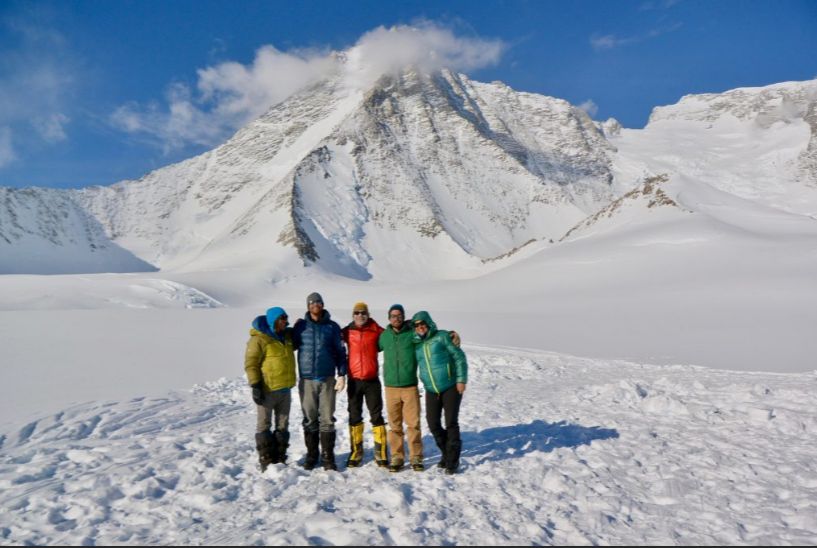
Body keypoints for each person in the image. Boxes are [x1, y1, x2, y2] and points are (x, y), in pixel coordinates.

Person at [292, 292, 347, 471]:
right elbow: (287, 344)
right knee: (310, 419)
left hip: (327, 379)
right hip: (307, 380)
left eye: (318, 302)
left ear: (322, 305)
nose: (315, 305)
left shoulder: (332, 327)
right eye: (312, 302)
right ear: (308, 306)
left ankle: (327, 457)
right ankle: (312, 455)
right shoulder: (300, 327)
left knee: (327, 419)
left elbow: (340, 352)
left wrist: (342, 374)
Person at [411, 310, 468, 475]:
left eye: (423, 324)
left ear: (429, 324)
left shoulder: (442, 336)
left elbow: (459, 357)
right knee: (433, 423)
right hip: (431, 389)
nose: (420, 327)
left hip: (450, 386)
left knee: (451, 422)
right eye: (417, 325)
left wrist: (461, 380)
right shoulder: (417, 344)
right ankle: (446, 453)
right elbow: (403, 325)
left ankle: (453, 460)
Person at [244, 307, 296, 471]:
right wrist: (255, 385)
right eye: (282, 319)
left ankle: (280, 457)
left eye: (286, 318)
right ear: (273, 320)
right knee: (264, 425)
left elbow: (298, 333)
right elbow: (251, 363)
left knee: (283, 425)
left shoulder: (286, 336)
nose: (285, 321)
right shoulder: (259, 339)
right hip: (267, 390)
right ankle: (266, 460)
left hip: (285, 389)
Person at [341, 302, 388, 468]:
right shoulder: (347, 332)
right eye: (357, 312)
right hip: (354, 380)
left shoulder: (376, 330)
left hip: (372, 380)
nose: (360, 315)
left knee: (376, 415)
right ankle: (356, 451)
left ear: (368, 314)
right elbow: (329, 337)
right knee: (354, 415)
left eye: (363, 313)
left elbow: (396, 333)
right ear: (353, 315)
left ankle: (380, 452)